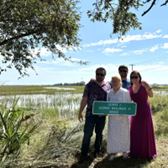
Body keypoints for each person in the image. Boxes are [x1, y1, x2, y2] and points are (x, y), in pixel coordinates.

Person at [78, 67, 111, 163]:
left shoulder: (108, 86)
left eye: (102, 74)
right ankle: (83, 154)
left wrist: (107, 111)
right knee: (87, 134)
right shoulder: (89, 85)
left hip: (102, 115)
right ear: (95, 74)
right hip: (90, 114)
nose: (100, 76)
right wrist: (80, 112)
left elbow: (109, 100)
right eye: (98, 74)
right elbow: (85, 99)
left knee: (99, 134)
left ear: (105, 76)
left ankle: (97, 152)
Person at [129, 70, 157, 158]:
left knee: (145, 130)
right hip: (135, 111)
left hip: (144, 110)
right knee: (135, 130)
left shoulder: (144, 85)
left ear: (139, 77)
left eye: (136, 77)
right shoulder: (130, 88)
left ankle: (146, 152)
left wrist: (148, 87)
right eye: (132, 77)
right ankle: (135, 152)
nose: (134, 79)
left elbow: (151, 95)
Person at [107, 76, 131, 161]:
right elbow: (107, 106)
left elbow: (129, 105)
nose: (114, 83)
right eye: (113, 81)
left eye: (116, 81)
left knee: (123, 134)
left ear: (120, 82)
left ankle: (124, 152)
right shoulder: (109, 93)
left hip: (123, 119)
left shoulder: (125, 92)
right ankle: (113, 152)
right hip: (113, 119)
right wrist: (105, 112)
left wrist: (124, 112)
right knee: (113, 135)